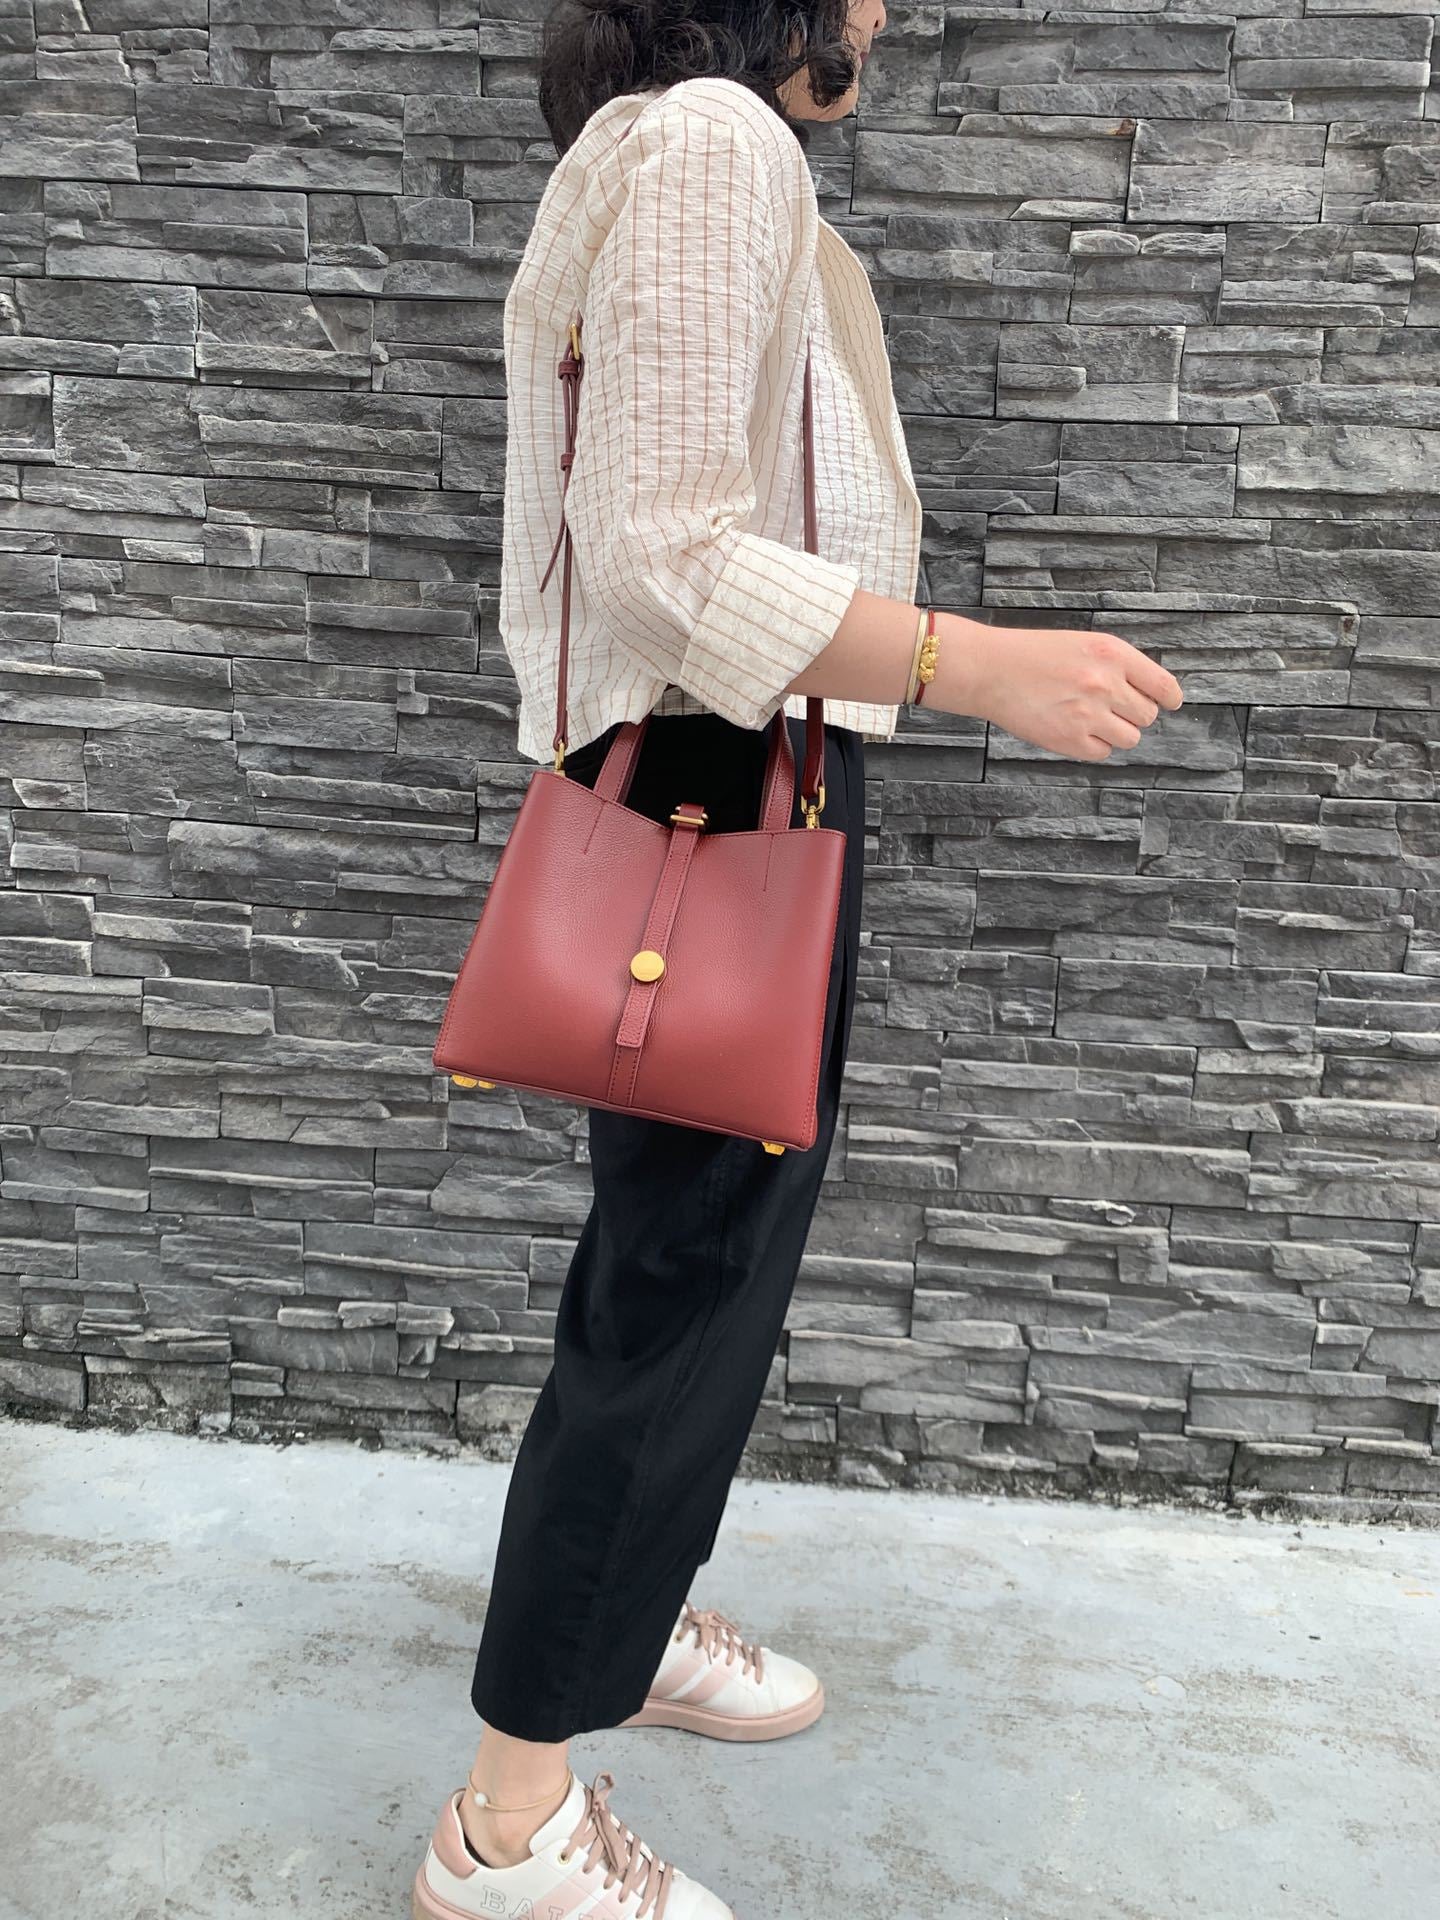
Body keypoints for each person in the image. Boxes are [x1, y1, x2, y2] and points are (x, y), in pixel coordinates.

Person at [413, 4, 1185, 1916]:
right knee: (677, 1294)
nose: (886, 12)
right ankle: (507, 1828)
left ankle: (633, 1614)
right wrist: (977, 663)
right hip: (716, 771)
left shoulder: (682, 148)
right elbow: (660, 546)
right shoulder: (713, 141)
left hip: (711, 762)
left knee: (684, 1271)